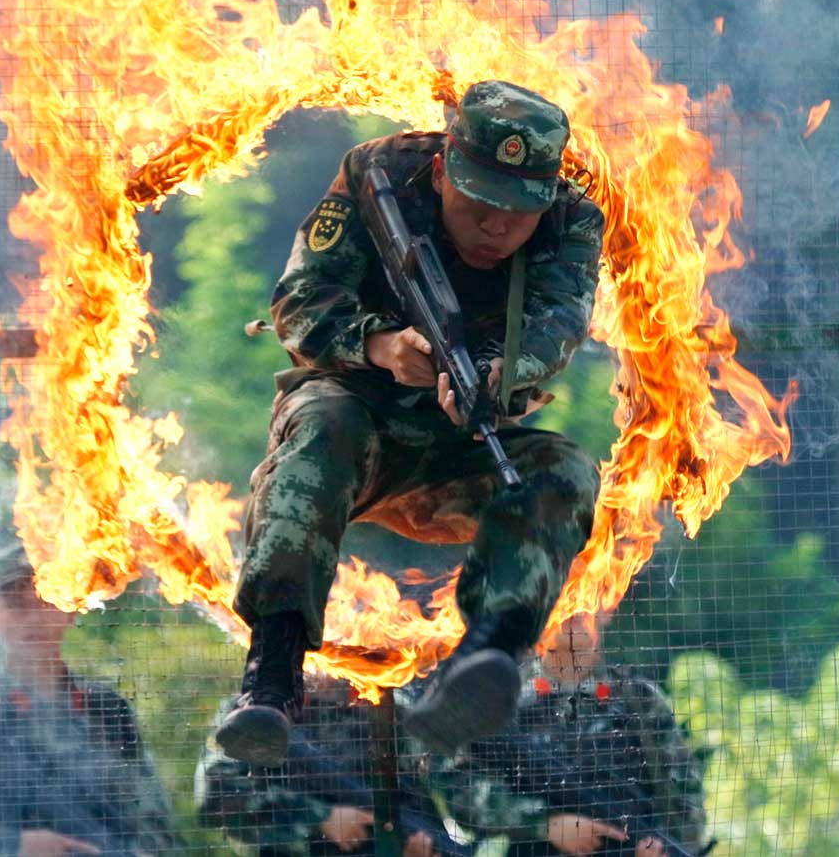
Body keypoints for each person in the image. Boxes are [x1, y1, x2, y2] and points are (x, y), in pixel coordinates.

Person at [220, 80, 605, 766]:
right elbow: (299, 300)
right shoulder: (381, 174)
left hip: (459, 445)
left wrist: (496, 376)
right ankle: (271, 676)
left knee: (565, 471)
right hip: (353, 419)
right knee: (321, 423)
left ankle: (487, 657)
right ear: (440, 171)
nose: (496, 226)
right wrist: (380, 347)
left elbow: (558, 324)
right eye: (481, 201)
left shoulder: (572, 219)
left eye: (517, 211)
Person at [0, 545, 176, 857]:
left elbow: (154, 823)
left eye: (46, 602)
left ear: (71, 612)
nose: (33, 618)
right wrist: (11, 847)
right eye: (17, 605)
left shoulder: (107, 709)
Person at [431, 615, 711, 857]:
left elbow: (687, 795)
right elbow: (462, 791)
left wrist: (659, 846)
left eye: (586, 596)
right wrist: (544, 823)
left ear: (605, 611)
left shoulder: (639, 699)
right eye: (566, 597)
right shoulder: (504, 697)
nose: (576, 610)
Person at [197, 674, 470, 856]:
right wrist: (321, 817)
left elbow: (422, 791)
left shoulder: (384, 705)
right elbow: (217, 797)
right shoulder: (257, 709)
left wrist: (413, 844)